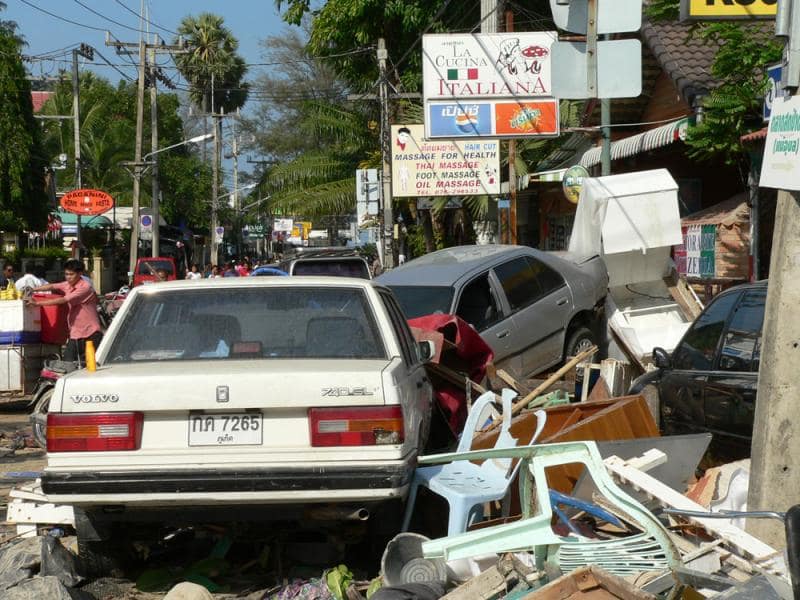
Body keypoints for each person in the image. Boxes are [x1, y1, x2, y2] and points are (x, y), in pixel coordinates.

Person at [27, 259, 102, 364]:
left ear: (80, 274)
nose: (68, 277)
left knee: (90, 365)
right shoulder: (67, 284)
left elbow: (63, 300)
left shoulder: (85, 287)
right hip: (76, 333)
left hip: (91, 333)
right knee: (67, 363)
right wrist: (33, 289)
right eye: (66, 274)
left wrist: (37, 304)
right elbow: (52, 286)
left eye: (71, 274)